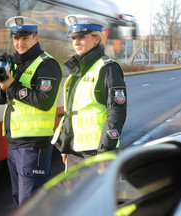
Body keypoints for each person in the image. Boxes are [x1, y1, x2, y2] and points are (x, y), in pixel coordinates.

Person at [0, 16, 62, 206]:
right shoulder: (14, 63)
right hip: (14, 143)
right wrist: (3, 85)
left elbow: (44, 101)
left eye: (25, 38)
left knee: (30, 204)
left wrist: (12, 86)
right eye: (16, 38)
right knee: (19, 201)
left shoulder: (47, 64)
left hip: (34, 144)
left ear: (36, 38)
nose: (19, 43)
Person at [51, 14, 127, 168]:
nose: (76, 42)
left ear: (96, 39)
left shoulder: (108, 68)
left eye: (81, 37)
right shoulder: (79, 69)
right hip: (74, 151)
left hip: (98, 152)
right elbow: (71, 111)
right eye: (73, 38)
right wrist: (66, 144)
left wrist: (106, 149)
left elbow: (117, 112)